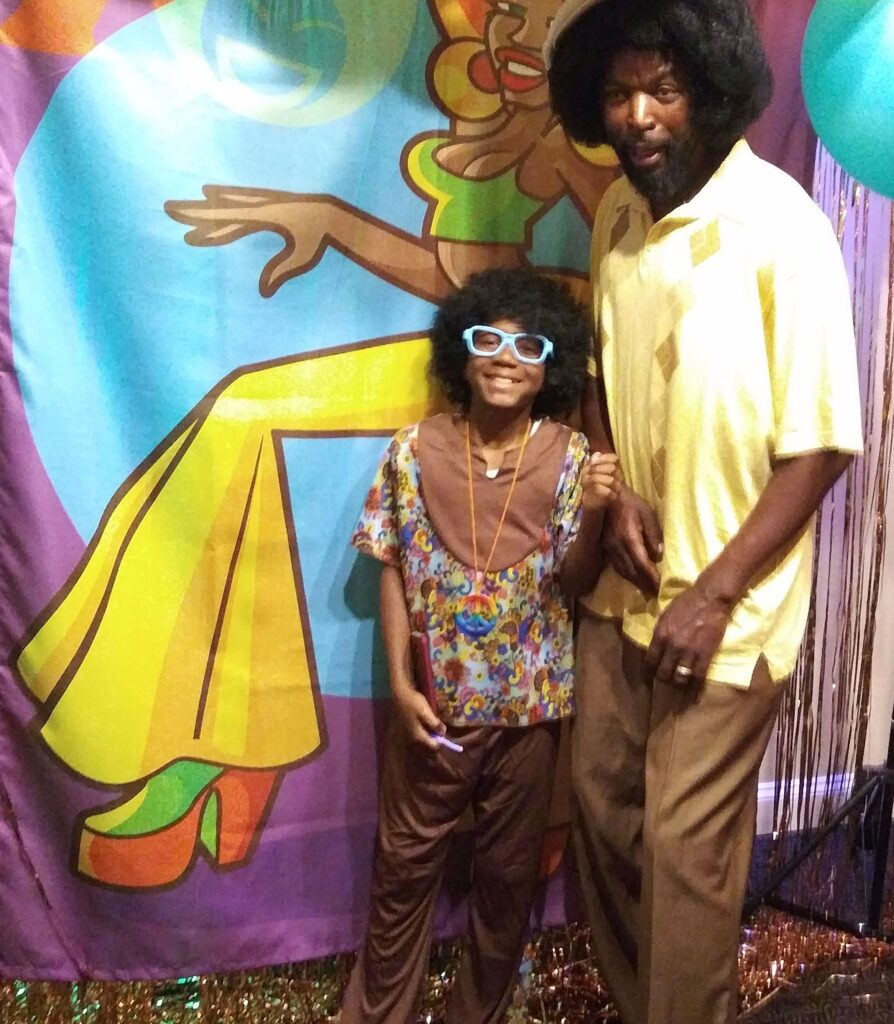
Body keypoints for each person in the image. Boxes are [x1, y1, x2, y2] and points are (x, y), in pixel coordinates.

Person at [545, 2, 865, 1023]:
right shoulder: (616, 212)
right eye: (617, 93)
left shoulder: (783, 226)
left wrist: (715, 594)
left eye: (663, 90)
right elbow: (600, 372)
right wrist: (613, 481)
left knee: (685, 848)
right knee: (602, 817)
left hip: (729, 608)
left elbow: (821, 445)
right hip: (623, 591)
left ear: (711, 92)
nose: (638, 116)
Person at [341, 267, 620, 1024]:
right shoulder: (411, 450)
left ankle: (480, 1013)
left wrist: (597, 513)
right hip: (434, 712)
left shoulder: (570, 457)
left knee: (506, 883)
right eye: (487, 339)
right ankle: (376, 1014)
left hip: (531, 715)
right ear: (460, 354)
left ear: (551, 368)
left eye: (528, 346)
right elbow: (393, 567)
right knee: (403, 872)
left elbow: (576, 579)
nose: (504, 357)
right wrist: (402, 685)